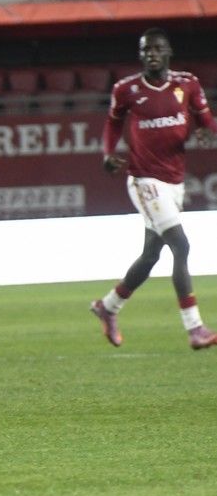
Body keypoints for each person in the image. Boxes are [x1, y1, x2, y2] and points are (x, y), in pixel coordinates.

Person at [90, 28, 217, 350]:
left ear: (168, 51)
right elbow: (112, 122)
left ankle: (108, 306)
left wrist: (207, 131)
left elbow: (206, 121)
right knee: (181, 245)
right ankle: (195, 328)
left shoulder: (186, 84)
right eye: (146, 49)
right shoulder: (127, 89)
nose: (151, 54)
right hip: (144, 180)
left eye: (157, 48)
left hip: (174, 182)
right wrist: (107, 154)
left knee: (150, 256)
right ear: (141, 54)